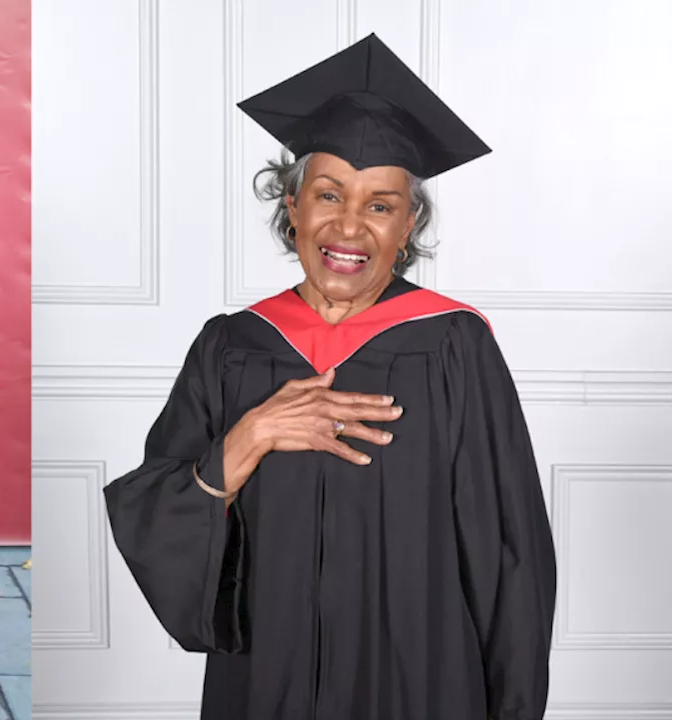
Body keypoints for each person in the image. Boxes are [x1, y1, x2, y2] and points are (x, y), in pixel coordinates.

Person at [104, 34, 557, 720]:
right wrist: (248, 436)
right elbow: (155, 515)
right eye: (328, 194)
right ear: (293, 208)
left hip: (421, 684)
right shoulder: (231, 347)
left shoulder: (452, 346)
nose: (349, 225)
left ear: (407, 226)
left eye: (379, 204)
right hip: (266, 683)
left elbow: (510, 555)